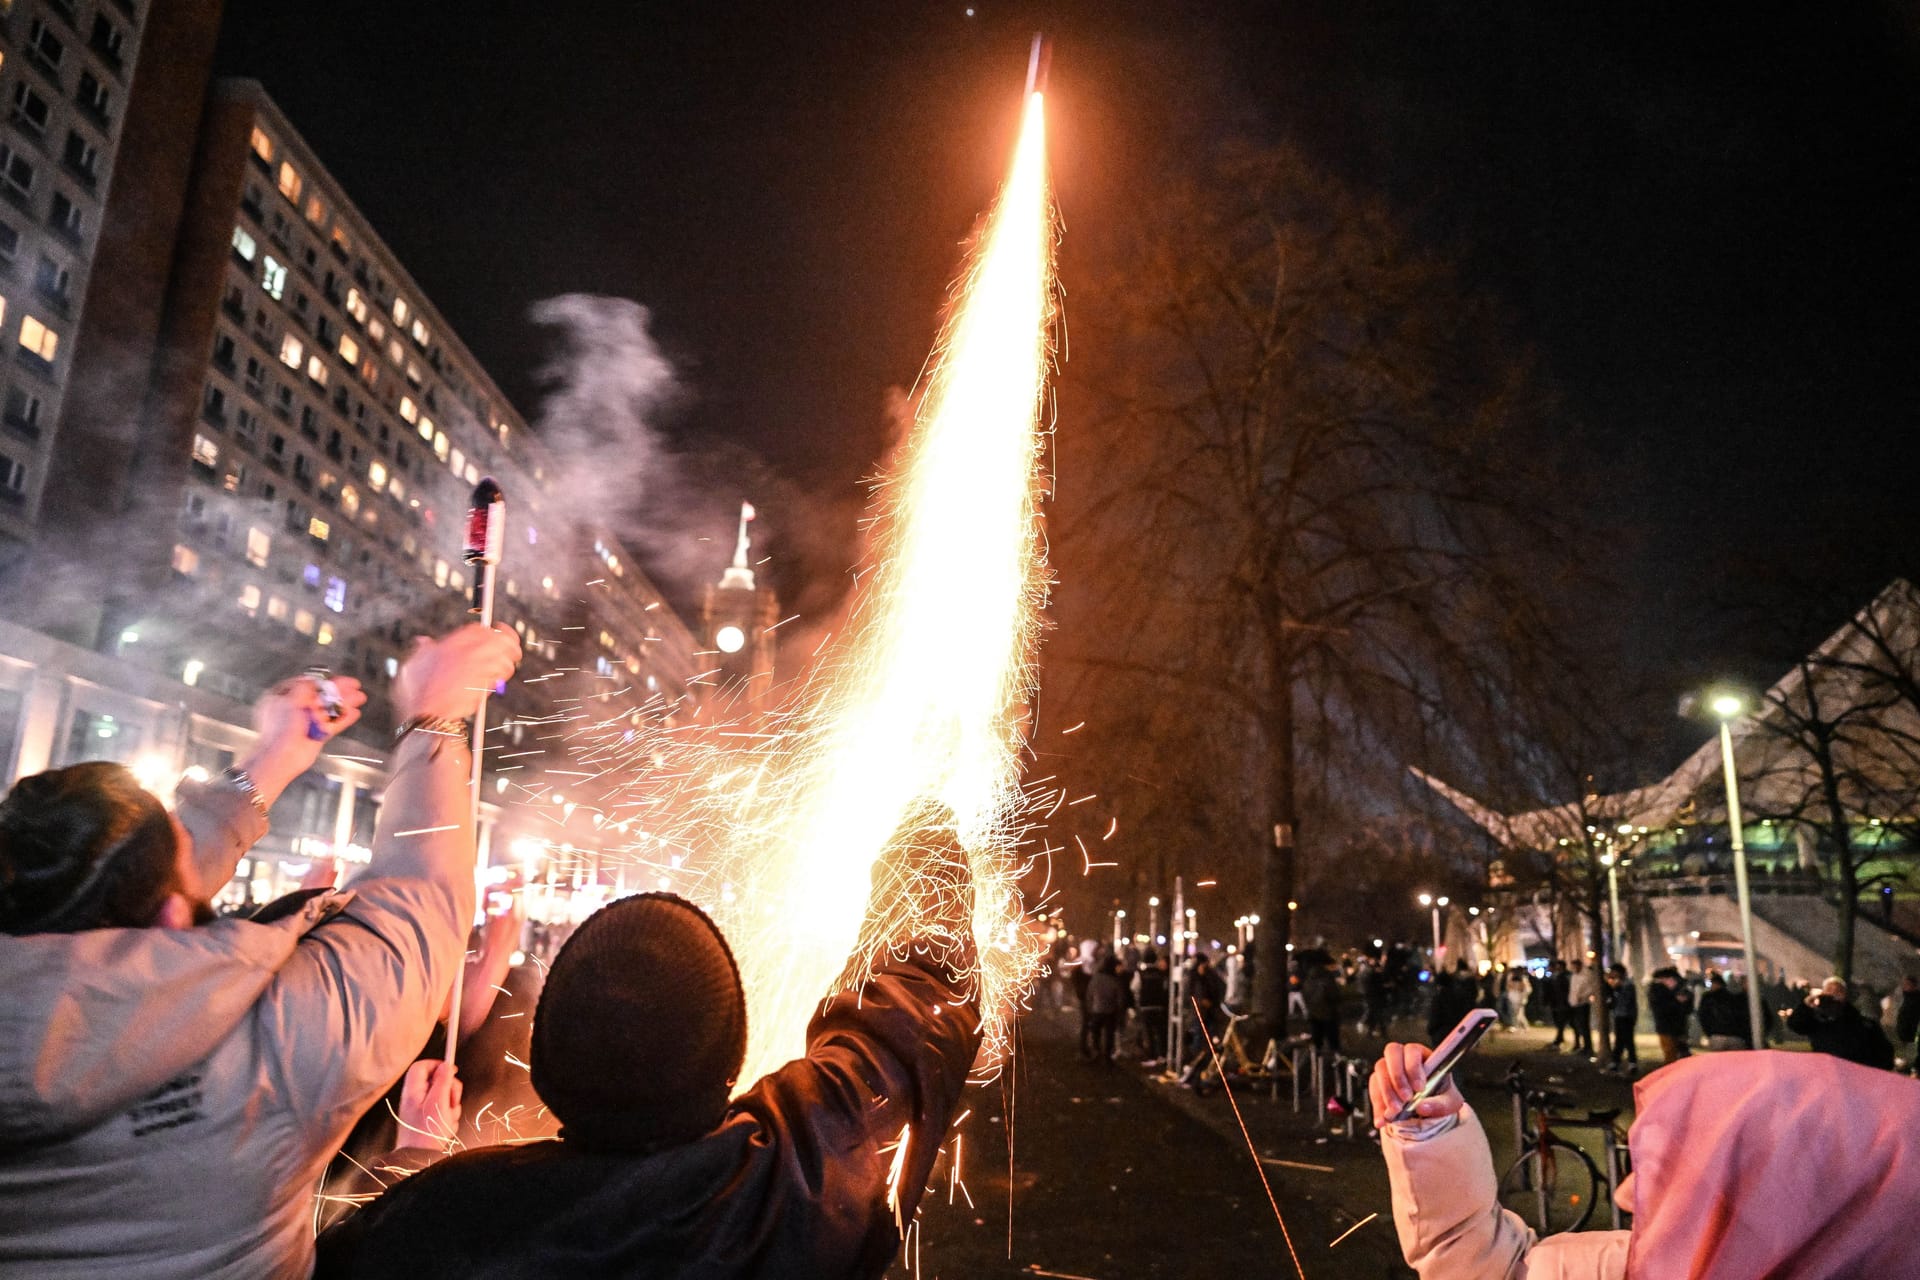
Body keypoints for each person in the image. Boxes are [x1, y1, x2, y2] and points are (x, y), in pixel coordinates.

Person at [0, 623, 521, 1279]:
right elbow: (424, 898)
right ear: (170, 914)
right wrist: (434, 715)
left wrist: (275, 758)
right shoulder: (272, 1049)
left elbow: (117, 878)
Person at [315, 846, 983, 1279]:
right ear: (732, 1063)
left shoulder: (440, 1217)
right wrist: (923, 854)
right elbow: (912, 1013)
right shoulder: (787, 1193)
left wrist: (412, 1161)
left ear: (546, 1070)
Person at [1370, 1039, 1920, 1277]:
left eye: (1678, 1170)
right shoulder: (1648, 1265)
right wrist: (1431, 1130)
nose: (1625, 1195)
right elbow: (1488, 1270)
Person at [1785, 976, 1895, 1069]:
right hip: (1826, 1076)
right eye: (1829, 991)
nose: (1833, 995)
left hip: (1854, 1078)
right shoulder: (1817, 1021)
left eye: (1838, 991)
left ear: (1845, 995)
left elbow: (1885, 1056)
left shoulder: (1863, 1024)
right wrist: (1805, 1006)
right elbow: (1795, 1025)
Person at [1084, 954, 1130, 1063]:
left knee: (1096, 1033)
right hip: (1110, 1011)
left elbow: (1089, 994)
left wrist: (1089, 1007)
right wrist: (1120, 1010)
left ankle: (1096, 1052)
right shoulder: (1114, 979)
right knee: (1109, 1034)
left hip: (1097, 1009)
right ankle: (1107, 1055)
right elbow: (1120, 997)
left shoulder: (1096, 978)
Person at [1648, 967, 1695, 1065]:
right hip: (1665, 1026)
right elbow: (1659, 1008)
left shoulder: (1682, 989)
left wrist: (1684, 1001)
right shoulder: (1657, 990)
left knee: (1683, 1052)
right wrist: (1677, 1001)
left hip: (1680, 1027)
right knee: (1670, 1053)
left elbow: (1688, 1008)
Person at [1696, 969, 1752, 1051]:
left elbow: (1703, 1016)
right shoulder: (1734, 997)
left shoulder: (1708, 998)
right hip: (1735, 1035)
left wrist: (1709, 1033)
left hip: (1716, 1035)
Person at [1425, 960, 1477, 1047]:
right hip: (1455, 1030)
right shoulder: (1459, 994)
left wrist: (1431, 1029)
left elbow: (1435, 1015)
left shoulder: (1440, 997)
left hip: (1441, 1032)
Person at [1134, 949, 1169, 1064]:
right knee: (1160, 1032)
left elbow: (1135, 987)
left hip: (1146, 1006)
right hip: (1159, 1006)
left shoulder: (1140, 973)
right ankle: (1162, 1055)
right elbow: (1165, 988)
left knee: (1148, 1033)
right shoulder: (1161, 973)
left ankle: (1151, 1056)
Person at [1302, 956, 1342, 1055]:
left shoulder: (1308, 980)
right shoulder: (1327, 978)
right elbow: (1334, 995)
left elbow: (1305, 996)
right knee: (1332, 1037)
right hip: (1328, 1012)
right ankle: (1335, 1057)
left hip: (1313, 1013)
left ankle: (1316, 1057)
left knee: (1317, 1037)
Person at [1603, 963, 1638, 1075]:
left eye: (1614, 972)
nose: (1612, 975)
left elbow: (1625, 1001)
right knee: (1620, 1039)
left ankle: (1631, 1062)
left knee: (1627, 1039)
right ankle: (1616, 1061)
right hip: (1619, 1015)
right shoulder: (1616, 985)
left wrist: (1616, 989)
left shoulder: (1627, 984)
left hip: (1627, 1015)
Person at [1565, 958, 1598, 1058]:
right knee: (1576, 1024)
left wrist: (1582, 997)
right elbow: (1573, 990)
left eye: (1575, 966)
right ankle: (1579, 1044)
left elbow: (1590, 989)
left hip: (1583, 1003)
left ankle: (1588, 1047)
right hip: (1574, 1003)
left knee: (1584, 1025)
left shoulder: (1586, 975)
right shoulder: (1574, 976)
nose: (1573, 968)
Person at [1544, 959, 1570, 1049]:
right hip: (1556, 1002)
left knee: (1561, 1021)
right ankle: (1559, 1038)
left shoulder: (1564, 976)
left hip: (1562, 1002)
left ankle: (1559, 1039)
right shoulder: (1555, 977)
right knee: (1558, 1021)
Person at [1896, 973, 1920, 1072]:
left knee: (1910, 1052)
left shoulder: (1916, 999)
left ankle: (1907, 1066)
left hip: (1911, 1032)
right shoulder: (1907, 997)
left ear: (1913, 985)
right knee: (1904, 1051)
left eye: (1907, 984)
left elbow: (1912, 1016)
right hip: (1904, 1031)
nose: (1904, 986)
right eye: (1904, 984)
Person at [1503, 965, 1533, 1032]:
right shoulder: (1512, 977)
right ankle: (1523, 1026)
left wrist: (1523, 996)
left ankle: (1517, 1026)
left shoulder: (1523, 979)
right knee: (1517, 1012)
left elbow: (1527, 989)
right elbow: (1508, 987)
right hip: (1513, 997)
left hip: (1520, 997)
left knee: (1518, 1012)